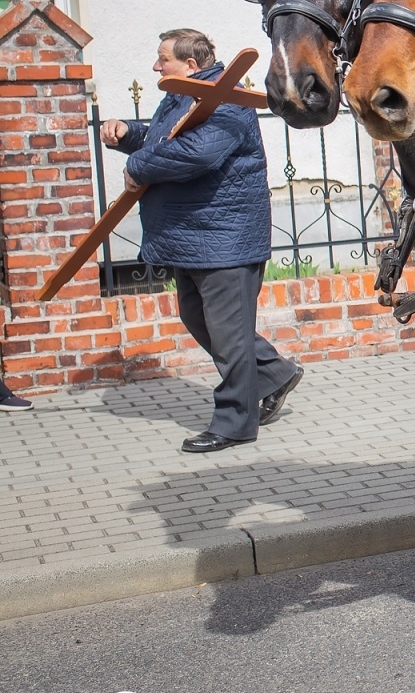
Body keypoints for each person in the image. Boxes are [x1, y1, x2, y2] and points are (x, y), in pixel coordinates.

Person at [101, 29, 301, 453]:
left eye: (163, 58)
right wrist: (130, 135)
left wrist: (140, 164)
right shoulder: (182, 96)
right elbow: (168, 140)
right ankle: (275, 373)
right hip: (192, 238)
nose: (156, 67)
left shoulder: (230, 99)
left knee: (229, 337)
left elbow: (197, 154)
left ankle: (234, 423)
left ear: (190, 64)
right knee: (200, 320)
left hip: (224, 239)